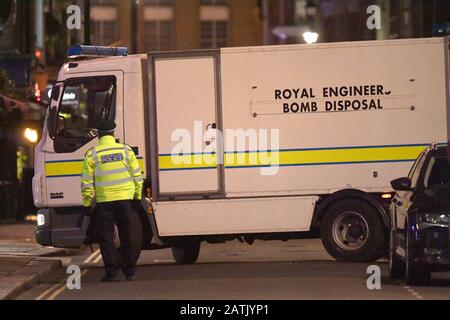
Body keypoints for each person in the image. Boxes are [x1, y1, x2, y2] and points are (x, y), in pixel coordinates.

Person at [81, 120, 143, 282]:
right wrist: (137, 196)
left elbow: (86, 183)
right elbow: (137, 176)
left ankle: (111, 271)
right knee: (127, 234)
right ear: (113, 133)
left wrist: (87, 204)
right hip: (125, 200)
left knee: (106, 237)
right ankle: (129, 270)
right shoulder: (126, 150)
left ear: (98, 135)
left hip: (105, 201)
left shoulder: (92, 154)